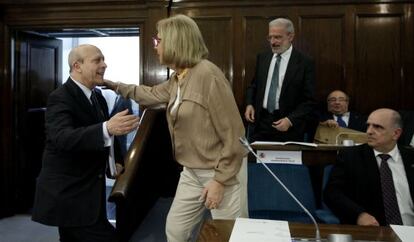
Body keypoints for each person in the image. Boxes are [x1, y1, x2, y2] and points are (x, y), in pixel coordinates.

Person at [104, 14, 247, 242]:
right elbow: (150, 94)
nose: (155, 46)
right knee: (176, 230)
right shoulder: (179, 77)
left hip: (221, 170)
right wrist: (114, 85)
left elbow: (235, 135)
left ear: (175, 41)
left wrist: (220, 180)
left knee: (228, 234)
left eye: (158, 41)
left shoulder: (208, 75)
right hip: (191, 170)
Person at [31, 44, 139, 242]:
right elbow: (63, 138)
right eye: (97, 60)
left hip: (89, 196)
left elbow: (107, 135)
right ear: (77, 66)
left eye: (103, 59)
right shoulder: (60, 97)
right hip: (70, 196)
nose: (104, 65)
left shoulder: (97, 95)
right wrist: (107, 128)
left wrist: (114, 162)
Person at [324, 108, 414, 226]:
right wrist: (359, 215)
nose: (369, 131)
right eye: (368, 126)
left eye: (377, 127)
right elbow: (333, 193)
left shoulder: (410, 158)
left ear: (396, 133)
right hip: (374, 230)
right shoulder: (351, 156)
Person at [244, 18, 316, 142]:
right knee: (257, 160)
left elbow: (309, 100)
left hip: (288, 126)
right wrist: (249, 104)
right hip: (261, 122)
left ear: (290, 37)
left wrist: (290, 120)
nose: (272, 42)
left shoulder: (305, 63)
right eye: (270, 37)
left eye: (277, 37)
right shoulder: (263, 57)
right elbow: (254, 85)